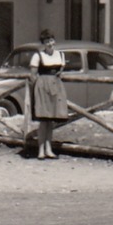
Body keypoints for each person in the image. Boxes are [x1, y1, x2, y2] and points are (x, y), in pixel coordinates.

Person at [26, 30, 69, 159]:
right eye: (46, 42)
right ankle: (40, 150)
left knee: (51, 121)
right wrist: (38, 90)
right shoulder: (38, 56)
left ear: (54, 41)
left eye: (51, 41)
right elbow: (33, 75)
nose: (49, 44)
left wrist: (59, 75)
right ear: (43, 43)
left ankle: (49, 149)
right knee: (43, 120)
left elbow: (61, 70)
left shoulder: (60, 55)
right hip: (42, 87)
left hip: (56, 87)